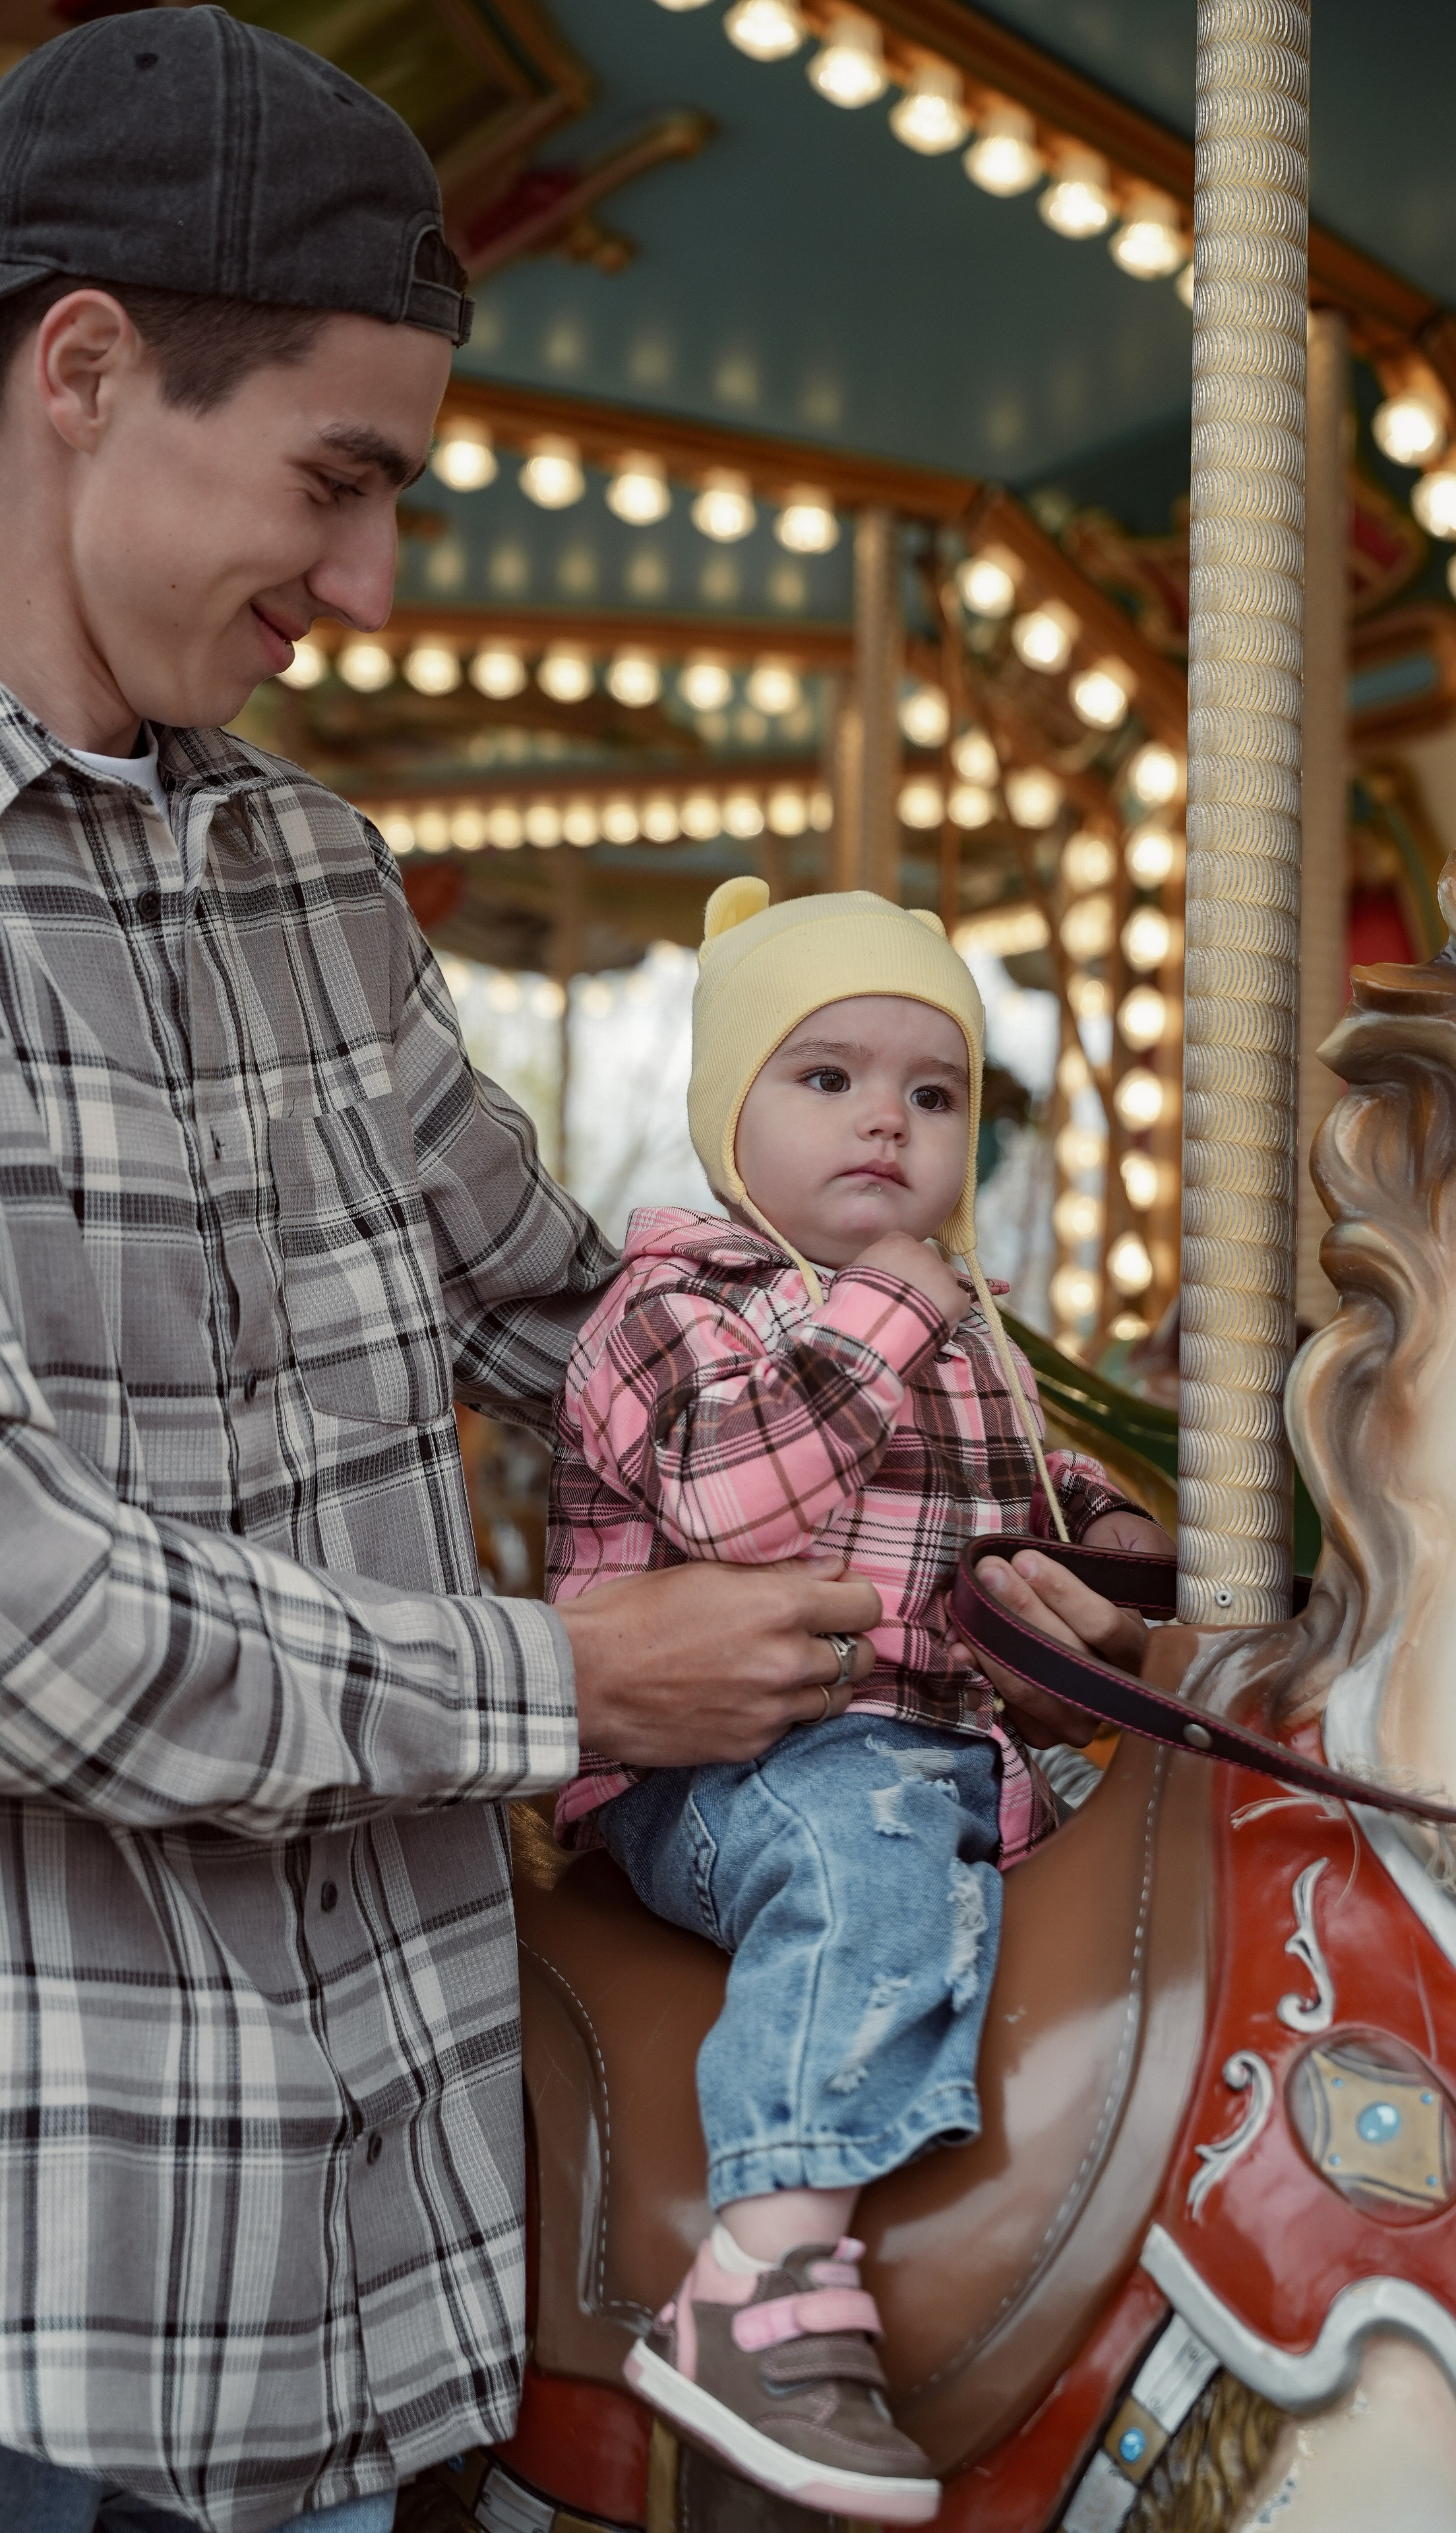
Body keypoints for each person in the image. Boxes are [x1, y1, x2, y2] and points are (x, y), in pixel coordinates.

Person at [0, 17, 889, 2532]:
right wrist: (565, 1674)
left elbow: (559, 1311)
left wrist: (909, 1422)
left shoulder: (307, 877)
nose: (369, 587)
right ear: (84, 369)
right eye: (338, 485)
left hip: (392, 2254)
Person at [545, 880, 1172, 2520]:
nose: (884, 1121)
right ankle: (759, 2273)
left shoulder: (978, 1342)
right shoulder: (672, 1307)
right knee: (862, 1842)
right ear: (724, 1108)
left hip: (936, 1757)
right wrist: (894, 1305)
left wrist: (1131, 1563)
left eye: (933, 1090)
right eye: (824, 1077)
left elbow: (1058, 1494)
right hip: (725, 1772)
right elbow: (738, 1506)